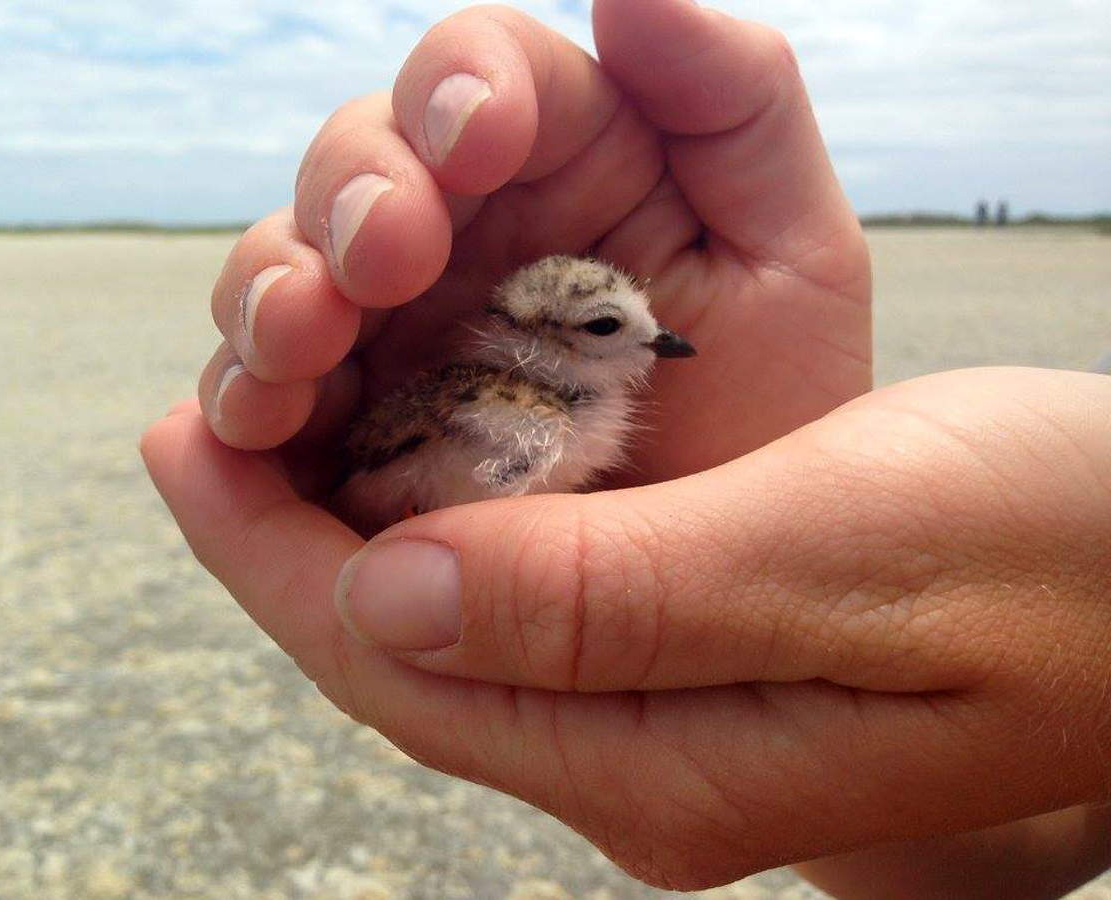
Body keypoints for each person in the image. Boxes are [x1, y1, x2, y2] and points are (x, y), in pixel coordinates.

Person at [140, 1, 1111, 895]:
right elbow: (1000, 851)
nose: (661, 346)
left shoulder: (550, 408)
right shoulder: (495, 404)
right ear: (548, 336)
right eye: (614, 330)